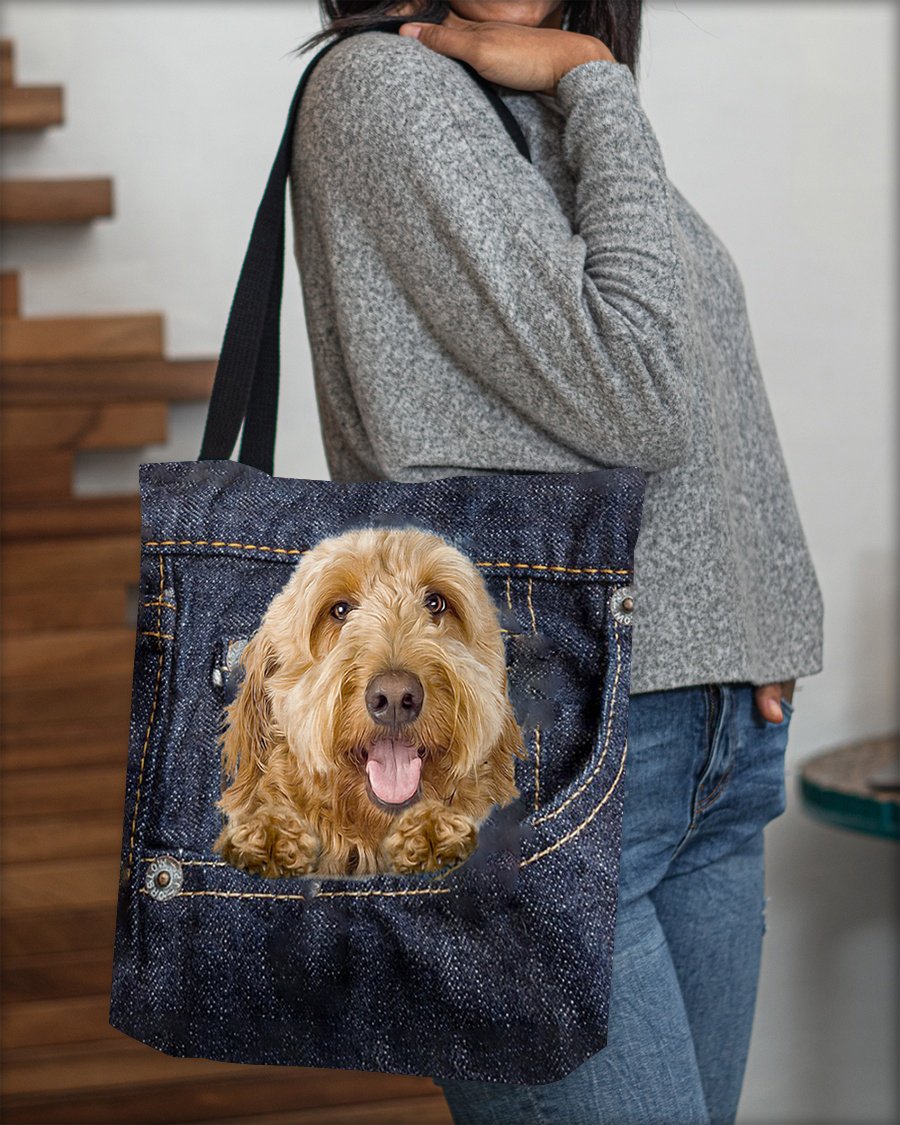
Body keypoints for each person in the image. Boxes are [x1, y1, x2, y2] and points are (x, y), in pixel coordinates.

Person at [287, 2, 824, 1122]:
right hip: (543, 763)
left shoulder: (535, 98)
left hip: (706, 749)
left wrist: (754, 628)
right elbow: (640, 390)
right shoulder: (388, 90)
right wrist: (598, 77)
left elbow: (703, 367)